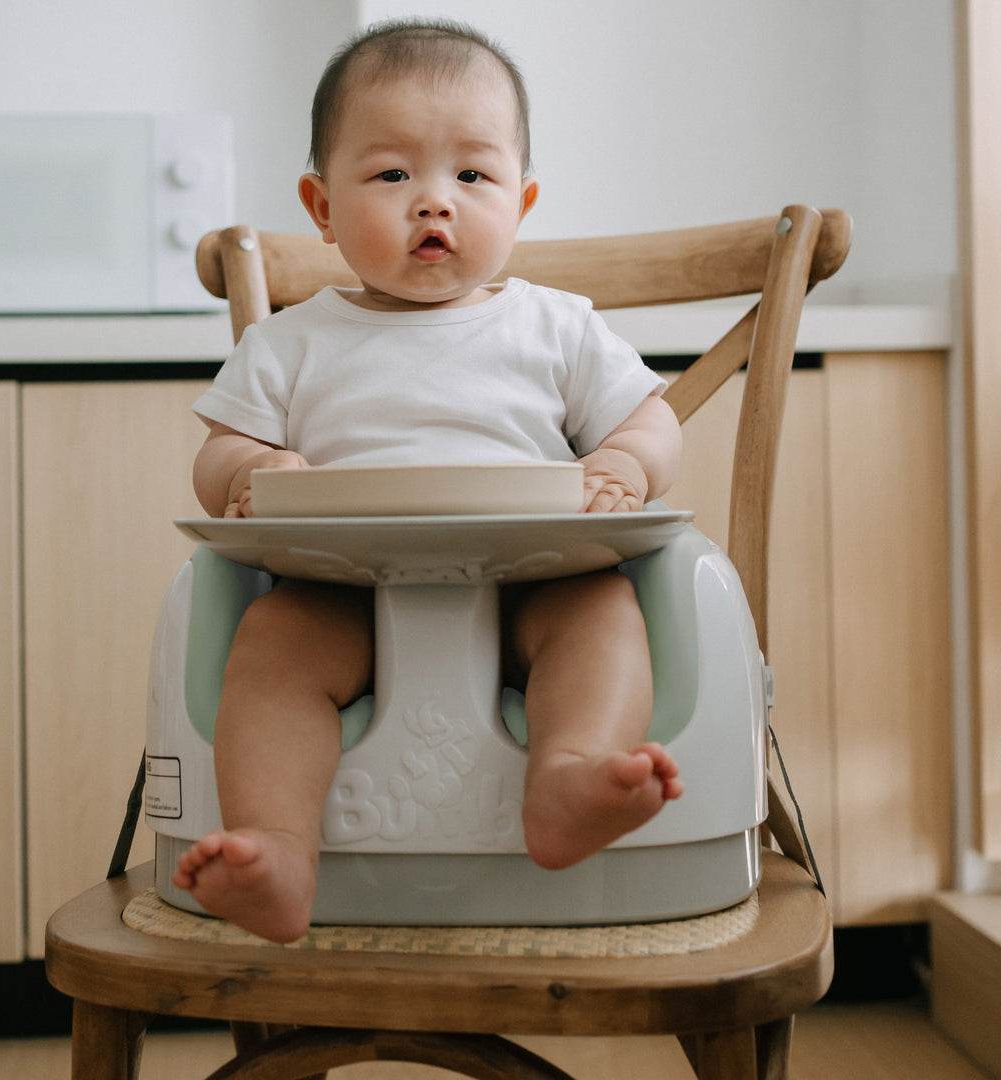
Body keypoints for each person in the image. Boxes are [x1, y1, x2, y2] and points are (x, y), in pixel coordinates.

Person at [173, 17, 684, 944]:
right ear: (320, 206)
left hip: (536, 575)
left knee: (603, 613)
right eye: (392, 174)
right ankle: (278, 850)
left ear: (522, 204)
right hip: (339, 591)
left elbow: (651, 417)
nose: (433, 203)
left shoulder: (556, 328)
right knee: (270, 647)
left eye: (473, 176)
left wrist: (622, 460)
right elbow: (216, 455)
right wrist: (252, 470)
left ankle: (569, 777)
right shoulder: (288, 343)